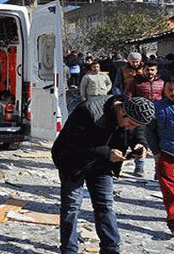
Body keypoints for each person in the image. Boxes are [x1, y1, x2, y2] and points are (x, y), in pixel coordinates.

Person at [51, 95, 154, 254]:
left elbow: (138, 129)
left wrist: (140, 143)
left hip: (102, 162)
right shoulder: (90, 110)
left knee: (105, 205)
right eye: (131, 124)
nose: (132, 127)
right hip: (72, 160)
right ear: (122, 112)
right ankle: (69, 250)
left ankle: (111, 250)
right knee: (71, 207)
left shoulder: (133, 112)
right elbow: (74, 142)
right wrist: (106, 153)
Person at [124, 60, 165, 177]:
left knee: (159, 144)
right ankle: (139, 166)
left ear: (156, 71)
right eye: (147, 70)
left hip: (157, 117)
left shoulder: (161, 83)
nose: (150, 72)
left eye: (152, 70)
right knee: (140, 141)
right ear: (143, 70)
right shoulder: (135, 82)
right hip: (140, 117)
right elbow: (128, 97)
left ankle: (159, 170)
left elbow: (166, 99)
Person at [150, 77, 174, 233]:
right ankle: (173, 220)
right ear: (164, 90)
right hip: (166, 154)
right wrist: (156, 153)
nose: (173, 93)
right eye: (170, 89)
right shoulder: (156, 107)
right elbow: (149, 132)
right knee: (170, 190)